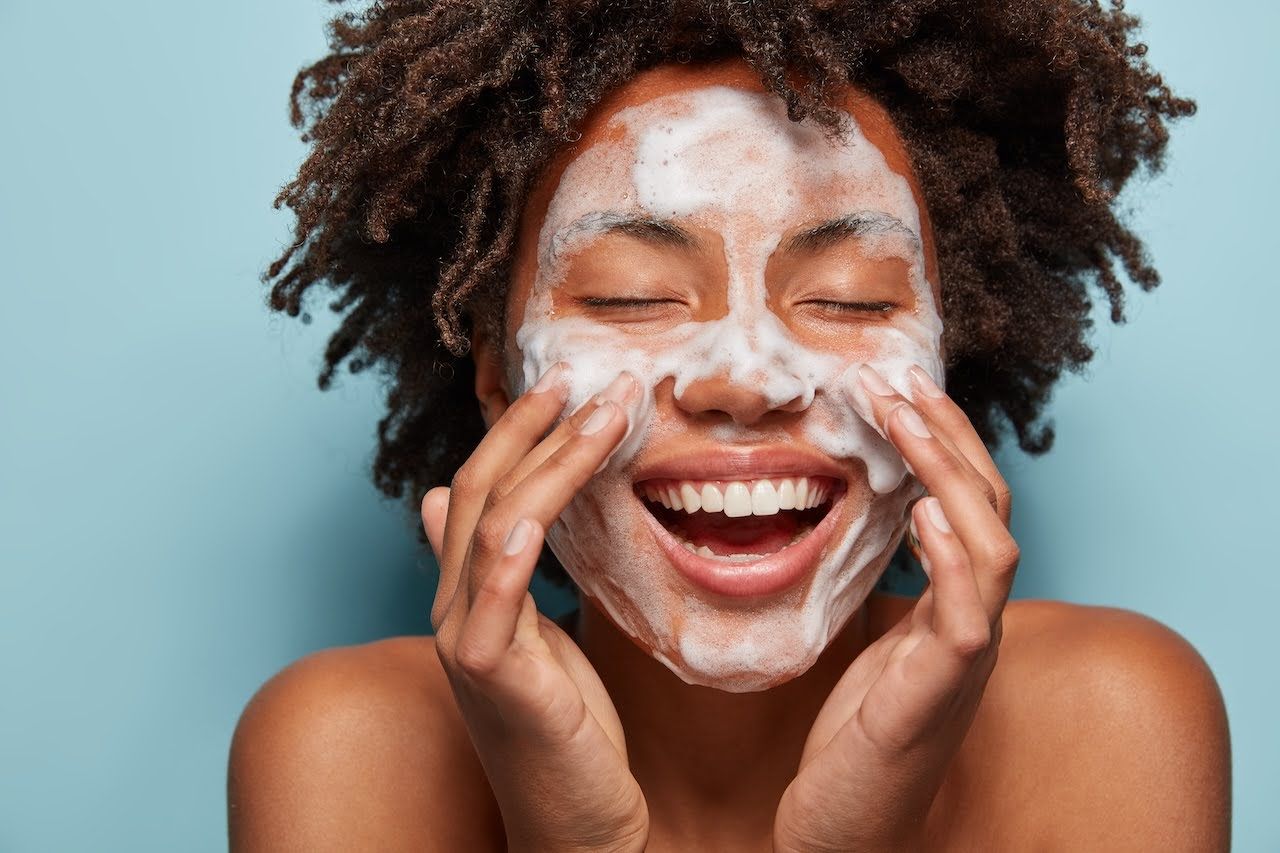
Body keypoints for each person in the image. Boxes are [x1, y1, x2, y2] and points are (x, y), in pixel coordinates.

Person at [228, 2, 1230, 850]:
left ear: (941, 364)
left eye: (847, 298)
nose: (744, 379)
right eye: (630, 297)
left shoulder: (1109, 719)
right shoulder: (345, 750)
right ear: (496, 377)